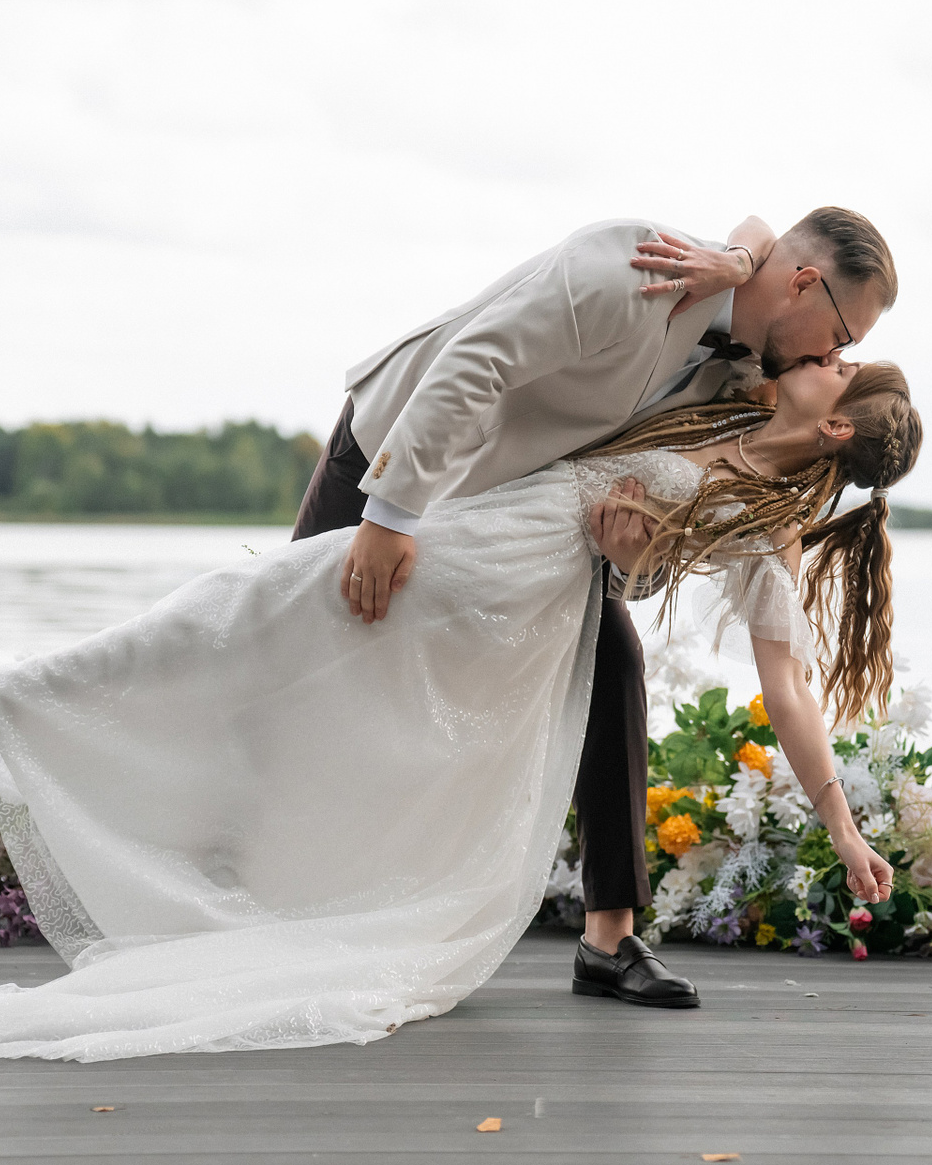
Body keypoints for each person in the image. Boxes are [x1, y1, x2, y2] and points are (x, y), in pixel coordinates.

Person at [0, 348, 922, 1061]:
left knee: (246, 611)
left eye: (836, 364)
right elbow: (753, 248)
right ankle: (2, 701)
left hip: (509, 588)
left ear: (835, 425)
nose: (818, 353)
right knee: (245, 613)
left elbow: (788, 687)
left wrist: (840, 822)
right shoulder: (733, 399)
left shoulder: (769, 519)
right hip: (479, 542)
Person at [293, 209, 897, 1005]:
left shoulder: (748, 382)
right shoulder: (640, 269)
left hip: (517, 523)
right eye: (841, 337)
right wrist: (391, 513)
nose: (831, 355)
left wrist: (630, 564)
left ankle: (610, 938)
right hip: (396, 450)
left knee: (615, 667)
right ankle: (243, 857)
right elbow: (479, 360)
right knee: (294, 650)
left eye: (844, 357)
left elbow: (661, 536)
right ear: (806, 284)